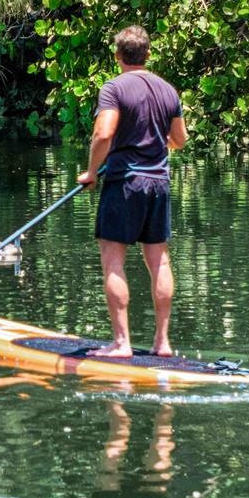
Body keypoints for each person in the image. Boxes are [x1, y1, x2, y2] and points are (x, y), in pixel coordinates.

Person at [76, 25, 187, 357]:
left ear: (117, 56)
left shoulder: (113, 88)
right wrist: (152, 140)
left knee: (113, 262)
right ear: (148, 54)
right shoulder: (169, 90)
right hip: (159, 183)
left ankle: (122, 343)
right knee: (159, 262)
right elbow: (179, 141)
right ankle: (162, 343)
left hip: (125, 182)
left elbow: (104, 133)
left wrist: (92, 171)